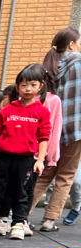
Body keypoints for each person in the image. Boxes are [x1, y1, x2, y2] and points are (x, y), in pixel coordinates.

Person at [0, 64, 51, 240]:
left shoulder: (42, 111)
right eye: (24, 85)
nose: (28, 89)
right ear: (17, 87)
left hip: (25, 159)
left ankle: (18, 224)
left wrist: (40, 160)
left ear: (40, 86)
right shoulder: (7, 111)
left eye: (33, 85)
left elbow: (43, 137)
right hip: (3, 157)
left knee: (20, 191)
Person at [34, 28, 81, 228]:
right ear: (71, 44)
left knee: (44, 173)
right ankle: (49, 220)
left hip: (52, 128)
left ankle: (21, 214)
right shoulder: (78, 62)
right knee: (65, 176)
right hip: (76, 127)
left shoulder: (49, 64)